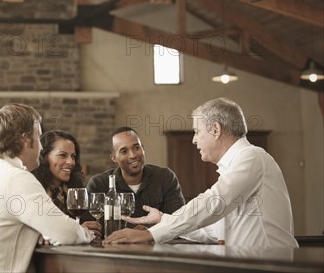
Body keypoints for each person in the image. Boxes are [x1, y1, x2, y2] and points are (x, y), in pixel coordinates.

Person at [105, 98, 299, 249]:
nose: (194, 140)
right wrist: (162, 219)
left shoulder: (252, 157)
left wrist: (150, 234)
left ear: (215, 129)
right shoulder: (237, 165)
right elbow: (214, 231)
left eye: (197, 132)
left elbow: (212, 202)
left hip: (272, 265)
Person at [0, 104, 94, 272]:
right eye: (38, 137)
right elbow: (67, 233)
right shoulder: (16, 178)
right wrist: (85, 232)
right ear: (24, 140)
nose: (40, 147)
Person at [87, 126, 185, 218]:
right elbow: (91, 227)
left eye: (136, 148)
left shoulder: (165, 177)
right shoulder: (99, 184)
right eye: (124, 151)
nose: (133, 155)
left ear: (143, 148)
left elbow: (178, 221)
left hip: (156, 237)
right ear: (114, 158)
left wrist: (144, 233)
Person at [31, 130, 102, 237]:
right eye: (62, 155)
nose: (71, 162)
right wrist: (77, 229)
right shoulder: (33, 190)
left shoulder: (74, 190)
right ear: (44, 157)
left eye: (73, 156)